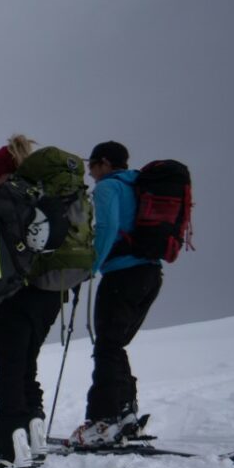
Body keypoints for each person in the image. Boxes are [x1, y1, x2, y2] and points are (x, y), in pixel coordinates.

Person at [0, 136, 96, 468]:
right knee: (26, 364)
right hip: (54, 290)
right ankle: (34, 436)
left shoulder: (11, 198)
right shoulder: (53, 194)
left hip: (20, 291)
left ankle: (8, 451)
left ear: (3, 172)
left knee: (10, 369)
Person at [72, 140, 163, 446]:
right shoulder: (139, 185)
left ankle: (104, 421)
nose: (90, 172)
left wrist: (90, 266)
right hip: (150, 274)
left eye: (92, 165)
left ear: (106, 163)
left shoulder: (108, 187)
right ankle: (126, 417)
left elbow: (107, 228)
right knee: (115, 345)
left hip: (122, 274)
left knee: (107, 346)